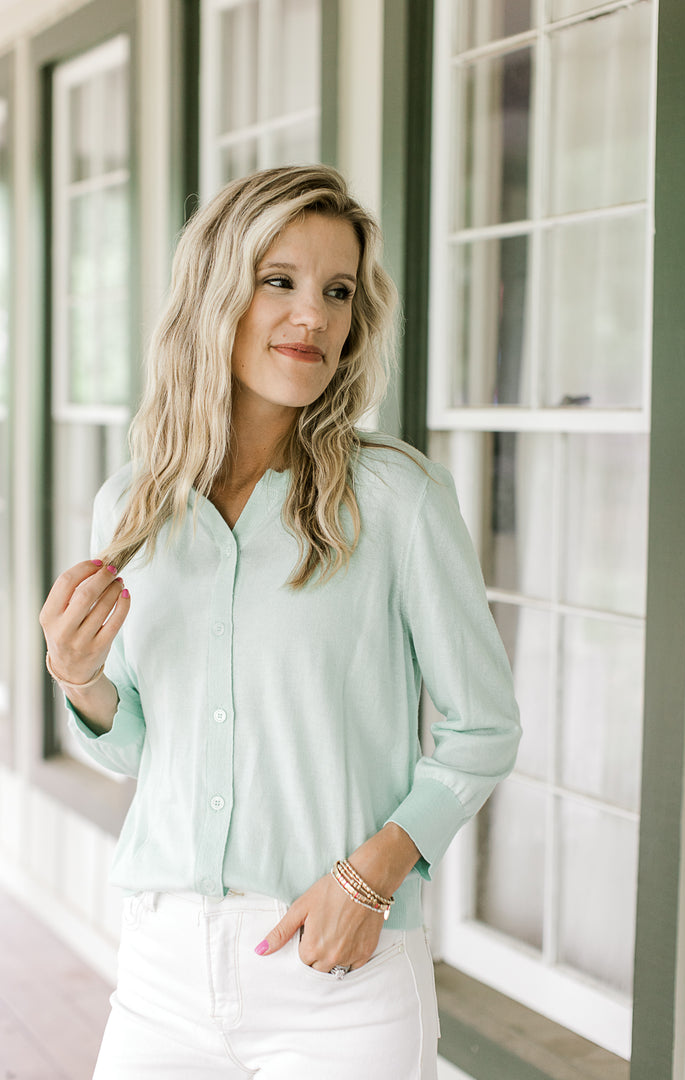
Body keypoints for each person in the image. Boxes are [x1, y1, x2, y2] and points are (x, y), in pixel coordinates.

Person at [39, 164, 521, 1080]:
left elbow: (483, 728)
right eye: (280, 282)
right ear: (216, 294)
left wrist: (371, 876)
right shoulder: (131, 509)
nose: (315, 317)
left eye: (338, 292)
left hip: (338, 974)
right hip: (162, 969)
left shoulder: (395, 498)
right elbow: (145, 752)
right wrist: (80, 679)